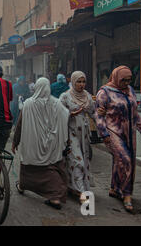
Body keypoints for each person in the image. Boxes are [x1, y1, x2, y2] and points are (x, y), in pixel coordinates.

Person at [95, 65, 141, 213]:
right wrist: (104, 134)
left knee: (124, 161)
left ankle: (114, 188)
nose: (126, 83)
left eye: (129, 80)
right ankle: (126, 194)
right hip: (113, 131)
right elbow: (98, 115)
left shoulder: (130, 90)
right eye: (123, 80)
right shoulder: (104, 92)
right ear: (116, 78)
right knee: (125, 159)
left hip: (129, 132)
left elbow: (135, 113)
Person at [12, 78, 72, 210]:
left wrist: (15, 142)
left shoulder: (28, 104)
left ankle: (26, 187)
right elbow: (66, 117)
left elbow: (20, 125)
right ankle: (53, 195)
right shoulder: (57, 104)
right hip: (52, 144)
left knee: (28, 166)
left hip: (32, 144)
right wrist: (66, 140)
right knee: (52, 167)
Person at [59, 71, 96, 204]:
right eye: (78, 82)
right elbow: (59, 114)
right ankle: (81, 192)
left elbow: (94, 114)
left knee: (84, 161)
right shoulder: (65, 97)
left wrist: (105, 127)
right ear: (73, 82)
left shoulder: (88, 97)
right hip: (71, 133)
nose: (81, 84)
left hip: (84, 134)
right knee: (77, 161)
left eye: (83, 82)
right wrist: (72, 114)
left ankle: (74, 187)